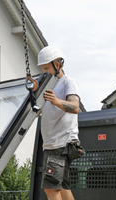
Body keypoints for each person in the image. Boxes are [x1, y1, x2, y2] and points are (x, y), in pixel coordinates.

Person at [38, 46, 80, 200]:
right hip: (53, 144)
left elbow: (75, 107)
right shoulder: (48, 86)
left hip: (60, 143)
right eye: (42, 68)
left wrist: (55, 101)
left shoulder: (67, 82)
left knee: (51, 188)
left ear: (58, 64)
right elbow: (40, 110)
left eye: (46, 67)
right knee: (62, 187)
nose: (44, 71)